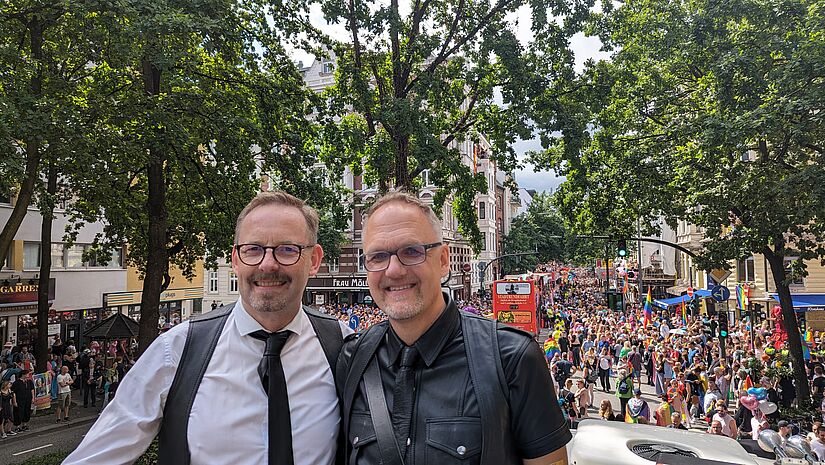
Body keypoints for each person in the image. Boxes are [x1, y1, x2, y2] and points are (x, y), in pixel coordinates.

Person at [65, 191, 351, 465]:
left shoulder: (343, 347)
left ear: (313, 260)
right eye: (253, 249)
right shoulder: (177, 351)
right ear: (236, 260)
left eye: (287, 250)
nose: (267, 264)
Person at [337, 191, 570, 465]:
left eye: (412, 251)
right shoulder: (353, 359)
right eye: (378, 257)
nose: (394, 270)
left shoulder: (512, 358)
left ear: (443, 260)